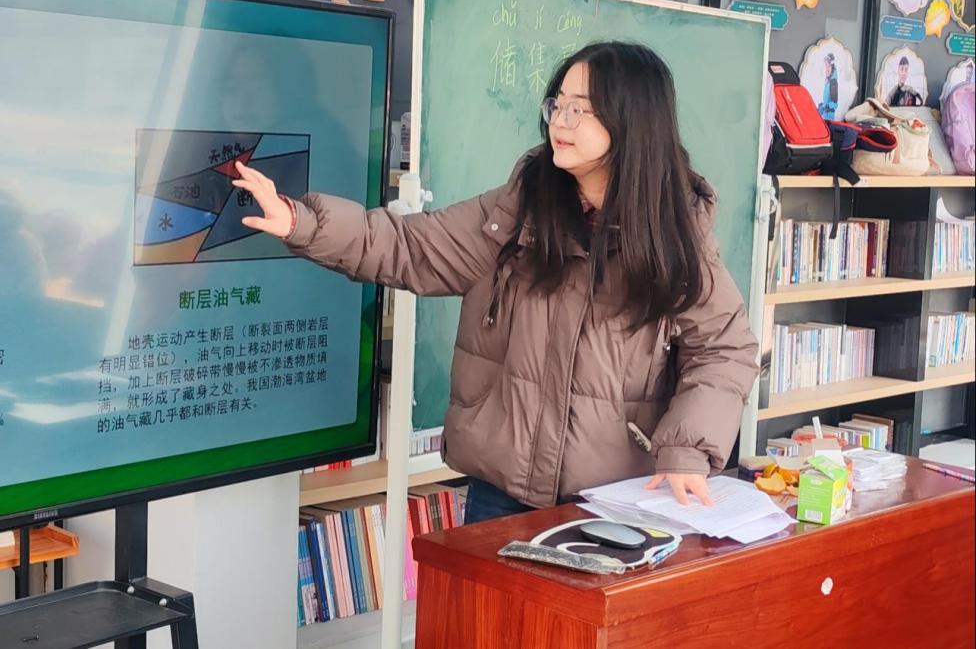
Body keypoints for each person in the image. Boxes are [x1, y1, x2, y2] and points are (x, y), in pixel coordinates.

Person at [234, 42, 759, 523]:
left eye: (581, 109)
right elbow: (411, 247)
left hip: (613, 503)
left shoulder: (674, 235)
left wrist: (686, 449)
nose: (561, 121)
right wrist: (301, 223)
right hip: (501, 493)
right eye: (558, 104)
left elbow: (725, 348)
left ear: (632, 122)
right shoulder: (518, 210)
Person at [817, 53, 839, 120]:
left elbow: (835, 103)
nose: (826, 69)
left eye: (828, 66)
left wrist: (826, 107)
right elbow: (827, 99)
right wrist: (822, 106)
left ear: (832, 67)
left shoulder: (833, 82)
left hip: (828, 118)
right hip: (825, 116)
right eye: (825, 66)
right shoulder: (828, 81)